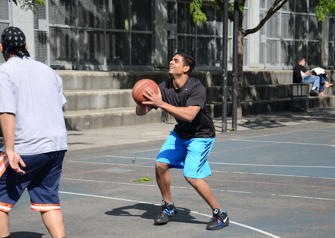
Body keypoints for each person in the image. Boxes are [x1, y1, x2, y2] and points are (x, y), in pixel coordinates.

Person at [136, 52, 229, 230]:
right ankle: (169, 207)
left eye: (176, 60)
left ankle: (220, 214)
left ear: (185, 68)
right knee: (160, 164)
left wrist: (161, 103)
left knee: (191, 175)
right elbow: (140, 113)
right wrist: (141, 100)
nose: (171, 62)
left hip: (201, 135)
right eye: (171, 59)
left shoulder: (196, 87)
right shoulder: (164, 87)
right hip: (180, 134)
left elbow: (189, 115)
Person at [0, 26, 68, 238]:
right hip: (56, 146)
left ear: (1, 47)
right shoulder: (49, 71)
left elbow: (6, 111)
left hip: (27, 147)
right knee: (48, 202)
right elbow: (60, 105)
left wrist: (10, 150)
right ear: (26, 46)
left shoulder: (4, 71)